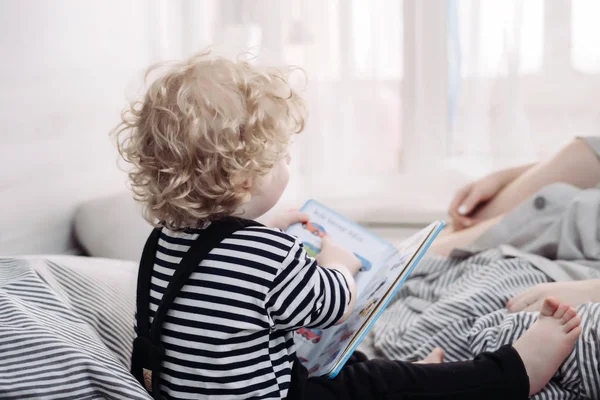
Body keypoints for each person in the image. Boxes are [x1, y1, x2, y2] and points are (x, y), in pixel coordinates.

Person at [115, 51, 581, 400]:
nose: (288, 163)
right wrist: (340, 263)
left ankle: (420, 376)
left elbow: (217, 272)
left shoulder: (163, 242)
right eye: (280, 157)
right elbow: (335, 305)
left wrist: (262, 225)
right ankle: (513, 372)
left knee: (333, 360)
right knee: (372, 382)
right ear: (243, 178)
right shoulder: (268, 256)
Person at [437, 137, 600, 312]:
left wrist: (592, 291)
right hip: (572, 189)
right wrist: (506, 178)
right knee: (420, 257)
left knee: (420, 265)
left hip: (570, 224)